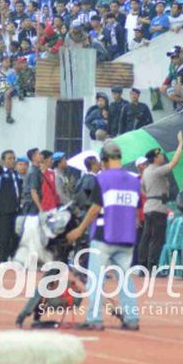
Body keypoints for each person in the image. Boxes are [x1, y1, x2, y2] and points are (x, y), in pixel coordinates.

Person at [67, 141, 141, 331]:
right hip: (127, 236)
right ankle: (131, 318)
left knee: (95, 279)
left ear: (105, 160)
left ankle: (94, 319)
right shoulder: (134, 180)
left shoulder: (102, 179)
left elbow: (95, 208)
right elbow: (138, 208)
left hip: (104, 235)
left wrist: (80, 229)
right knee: (125, 279)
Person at [139, 132, 183, 272]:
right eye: (160, 156)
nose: (162, 157)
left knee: (146, 237)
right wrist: (180, 144)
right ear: (155, 158)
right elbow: (174, 163)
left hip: (149, 206)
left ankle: (143, 266)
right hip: (158, 207)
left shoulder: (146, 172)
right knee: (157, 238)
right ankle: (152, 266)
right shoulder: (157, 170)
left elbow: (143, 190)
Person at [0, 150, 23, 263]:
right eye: (9, 158)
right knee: (3, 236)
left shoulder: (16, 174)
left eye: (13, 158)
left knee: (16, 235)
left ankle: (12, 255)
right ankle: (2, 259)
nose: (12, 160)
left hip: (16, 209)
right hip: (4, 208)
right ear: (3, 160)